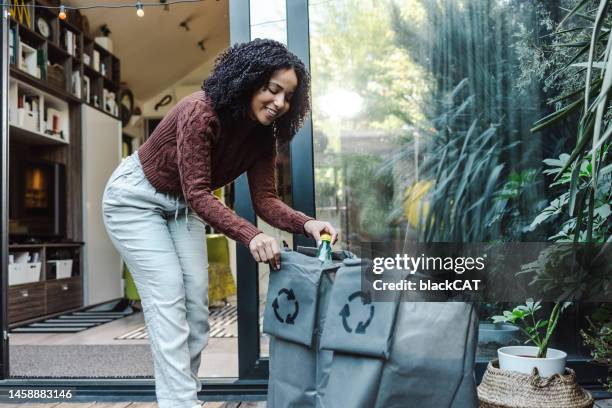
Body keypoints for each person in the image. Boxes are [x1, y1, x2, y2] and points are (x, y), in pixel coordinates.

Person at [102, 38, 338, 408]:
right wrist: (251, 235)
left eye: (288, 96)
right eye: (272, 89)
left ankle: (182, 395)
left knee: (196, 311)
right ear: (248, 80)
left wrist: (307, 224)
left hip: (181, 206)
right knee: (168, 298)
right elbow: (198, 191)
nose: (279, 102)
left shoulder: (263, 136)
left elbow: (266, 201)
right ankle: (181, 404)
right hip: (135, 199)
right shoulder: (202, 112)